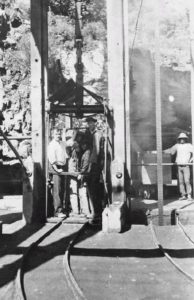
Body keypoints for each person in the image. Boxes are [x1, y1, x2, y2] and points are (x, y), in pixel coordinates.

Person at [164, 132, 194, 200]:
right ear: (179, 139)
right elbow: (171, 150)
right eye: (181, 139)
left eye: (183, 139)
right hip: (179, 166)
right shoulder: (177, 145)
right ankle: (183, 195)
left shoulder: (189, 145)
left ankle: (189, 195)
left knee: (187, 181)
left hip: (186, 166)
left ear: (186, 139)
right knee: (180, 181)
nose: (182, 140)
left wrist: (192, 159)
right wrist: (162, 151)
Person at [86, 116, 103, 224]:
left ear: (95, 124)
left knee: (94, 189)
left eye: (91, 123)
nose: (89, 125)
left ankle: (97, 213)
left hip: (95, 165)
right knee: (93, 189)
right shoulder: (92, 134)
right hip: (94, 164)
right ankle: (96, 212)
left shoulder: (96, 134)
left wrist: (91, 165)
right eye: (88, 123)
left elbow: (96, 151)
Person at [48, 128, 67, 217]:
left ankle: (62, 209)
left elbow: (68, 143)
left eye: (59, 134)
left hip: (62, 167)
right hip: (56, 167)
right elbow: (52, 159)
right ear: (52, 135)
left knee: (62, 189)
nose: (58, 135)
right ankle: (57, 211)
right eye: (56, 134)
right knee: (57, 190)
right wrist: (57, 169)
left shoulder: (62, 143)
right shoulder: (51, 145)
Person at [78, 138, 91, 217]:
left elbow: (85, 164)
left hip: (85, 175)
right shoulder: (86, 152)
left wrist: (81, 173)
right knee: (85, 193)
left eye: (83, 145)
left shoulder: (87, 153)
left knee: (84, 193)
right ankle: (87, 211)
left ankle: (87, 211)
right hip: (85, 174)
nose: (82, 146)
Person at [68, 141, 81, 216]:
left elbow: (72, 168)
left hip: (73, 177)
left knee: (73, 194)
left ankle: (75, 211)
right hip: (76, 175)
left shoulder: (73, 156)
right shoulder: (76, 155)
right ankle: (78, 210)